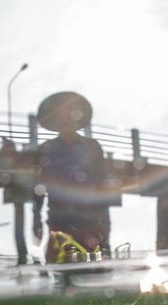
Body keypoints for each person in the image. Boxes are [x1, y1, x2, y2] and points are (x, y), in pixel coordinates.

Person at [31, 91, 112, 261]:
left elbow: (102, 185)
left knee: (95, 274)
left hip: (91, 222)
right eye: (60, 115)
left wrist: (105, 225)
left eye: (70, 113)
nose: (66, 119)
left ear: (78, 118)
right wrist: (36, 219)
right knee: (59, 271)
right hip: (58, 222)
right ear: (54, 120)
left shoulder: (92, 147)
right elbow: (38, 186)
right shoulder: (46, 149)